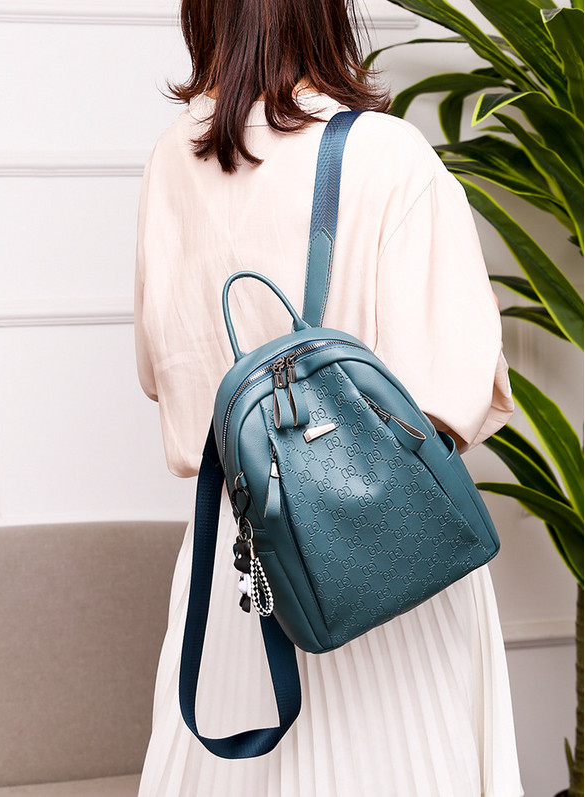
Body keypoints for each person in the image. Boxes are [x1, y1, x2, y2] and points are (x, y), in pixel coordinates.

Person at [133, 1, 524, 794]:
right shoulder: (386, 154)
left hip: (241, 559)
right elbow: (449, 390)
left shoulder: (172, 159)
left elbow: (157, 370)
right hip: (390, 553)